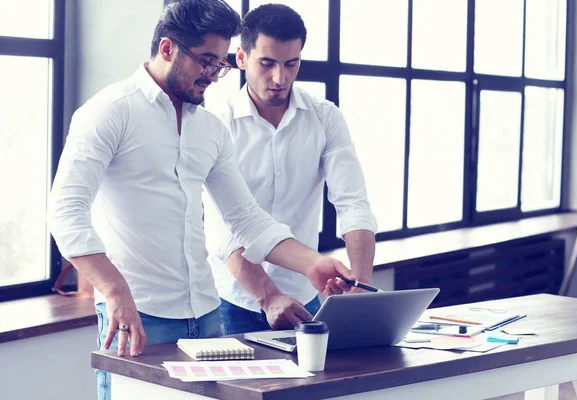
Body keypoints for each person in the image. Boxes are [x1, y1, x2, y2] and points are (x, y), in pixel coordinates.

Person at [47, 1, 354, 399]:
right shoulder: (108, 113)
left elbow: (246, 218)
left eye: (220, 63)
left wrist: (313, 263)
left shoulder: (209, 128)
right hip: (139, 317)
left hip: (207, 318)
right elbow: (65, 213)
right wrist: (115, 290)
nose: (213, 74)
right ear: (168, 48)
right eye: (206, 61)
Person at [207, 4, 377, 335]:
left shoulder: (325, 117)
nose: (279, 78)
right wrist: (267, 296)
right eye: (267, 64)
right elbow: (223, 228)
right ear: (241, 58)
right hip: (233, 300)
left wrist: (363, 283)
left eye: (291, 64)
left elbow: (352, 202)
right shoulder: (216, 123)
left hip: (305, 293)